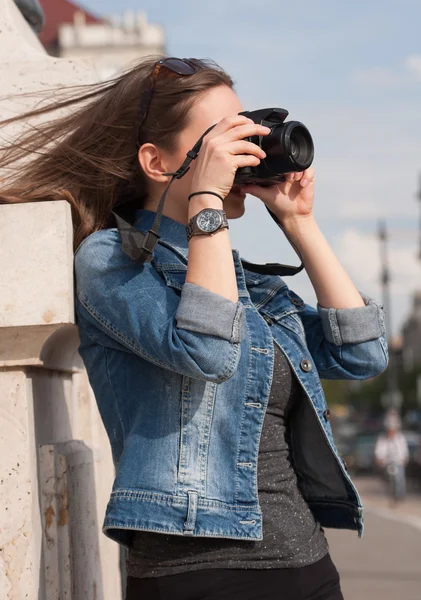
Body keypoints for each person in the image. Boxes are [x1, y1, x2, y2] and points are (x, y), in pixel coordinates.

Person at [0, 55, 388, 600]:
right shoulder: (112, 261)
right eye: (218, 140)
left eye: (245, 133)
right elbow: (207, 352)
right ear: (157, 162)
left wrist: (300, 223)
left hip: (306, 564)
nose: (242, 151)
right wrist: (207, 199)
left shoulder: (243, 280)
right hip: (195, 574)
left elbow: (361, 355)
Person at [375, 412, 409, 503]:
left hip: (398, 461)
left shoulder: (400, 438)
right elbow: (379, 450)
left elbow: (403, 449)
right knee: (386, 477)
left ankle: (399, 495)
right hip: (387, 462)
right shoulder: (383, 438)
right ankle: (390, 491)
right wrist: (380, 458)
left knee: (399, 478)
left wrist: (404, 457)